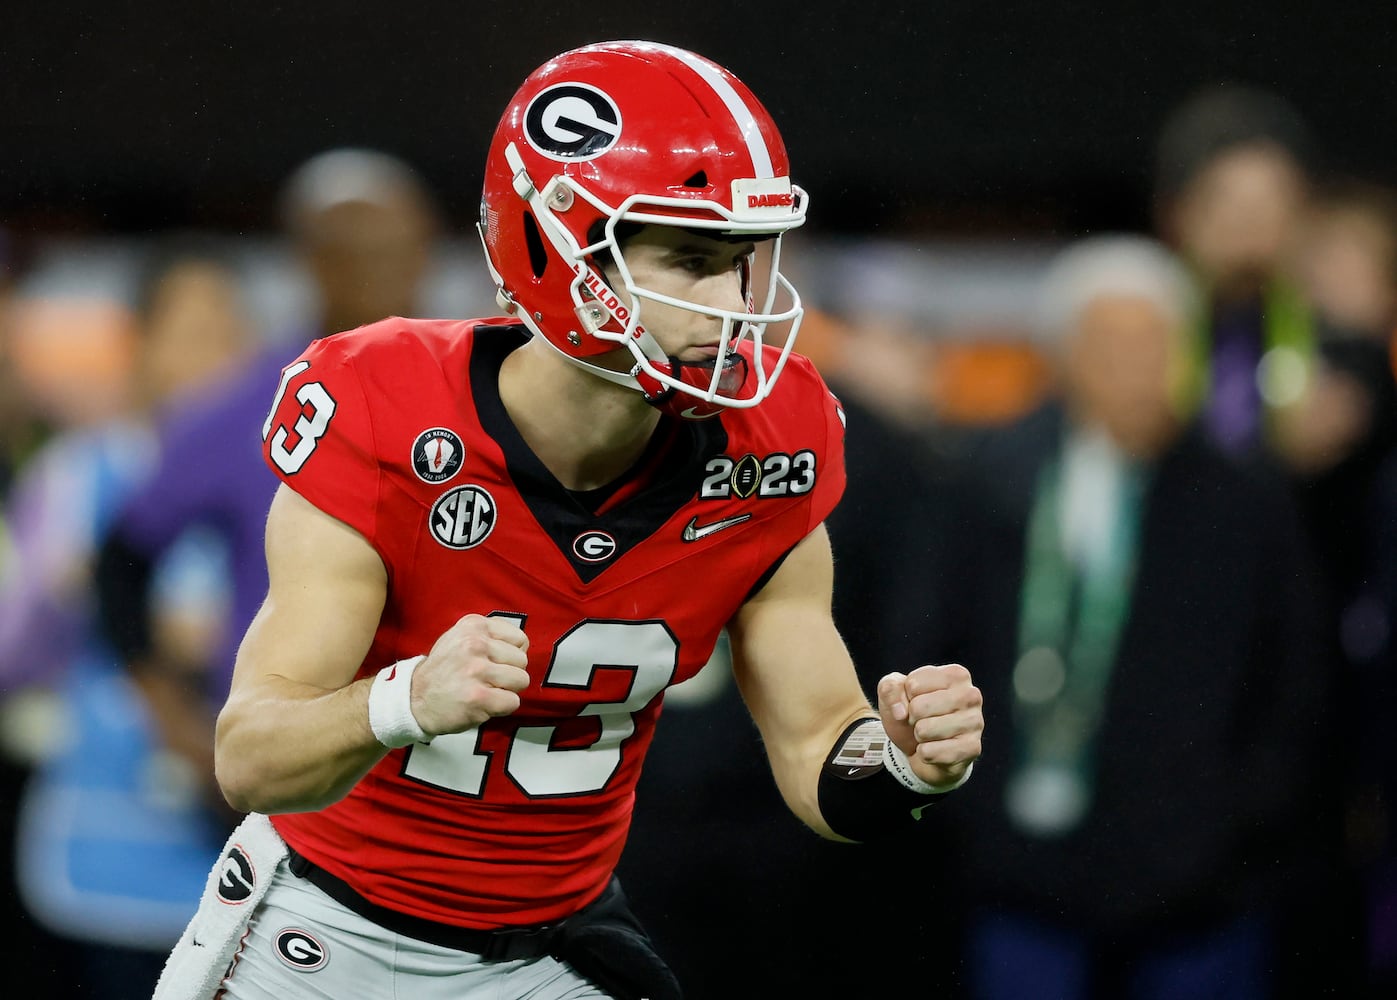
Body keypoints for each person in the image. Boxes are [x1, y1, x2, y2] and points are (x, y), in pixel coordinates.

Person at [150, 40, 984, 1000]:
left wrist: (905, 769)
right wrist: (403, 701)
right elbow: (250, 756)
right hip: (324, 938)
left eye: (744, 263)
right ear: (561, 246)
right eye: (691, 260)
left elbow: (814, 752)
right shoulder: (387, 406)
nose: (735, 307)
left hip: (546, 952)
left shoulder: (773, 440)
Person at [920, 235, 1337, 1000]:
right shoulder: (992, 482)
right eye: (1108, 343)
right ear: (1063, 356)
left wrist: (1234, 829)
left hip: (1201, 890)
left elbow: (1294, 684)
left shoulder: (1243, 502)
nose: (1134, 366)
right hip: (1022, 875)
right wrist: (968, 811)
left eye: (1155, 342)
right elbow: (937, 639)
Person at [92, 146, 443, 806]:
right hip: (301, 764)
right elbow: (121, 560)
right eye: (350, 251)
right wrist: (176, 724)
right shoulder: (254, 401)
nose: (382, 268)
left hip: (451, 758)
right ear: (308, 259)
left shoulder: (486, 382)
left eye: (398, 246)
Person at [0, 236, 255, 998]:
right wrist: (60, 590)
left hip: (240, 851)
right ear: (138, 344)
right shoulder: (81, 474)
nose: (214, 358)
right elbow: (15, 660)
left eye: (228, 333)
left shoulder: (281, 474)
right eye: (191, 333)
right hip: (107, 845)